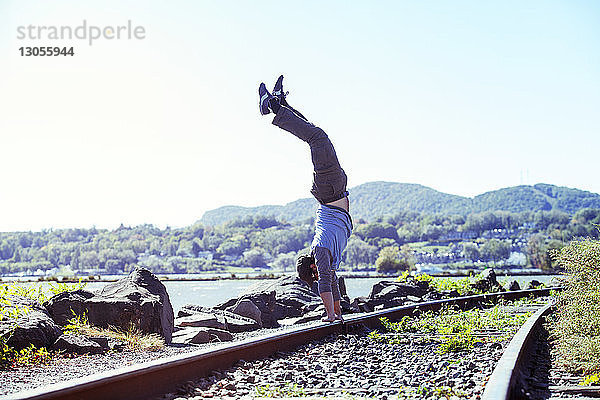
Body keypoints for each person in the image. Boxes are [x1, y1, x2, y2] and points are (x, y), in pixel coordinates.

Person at [258, 76, 353, 322]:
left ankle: (275, 107)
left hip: (329, 191)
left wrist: (329, 315)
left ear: (312, 267)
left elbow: (325, 285)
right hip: (333, 190)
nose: (320, 273)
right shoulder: (328, 261)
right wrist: (337, 314)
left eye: (316, 272)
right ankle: (278, 105)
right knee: (316, 136)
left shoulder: (320, 252)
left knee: (317, 138)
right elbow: (331, 285)